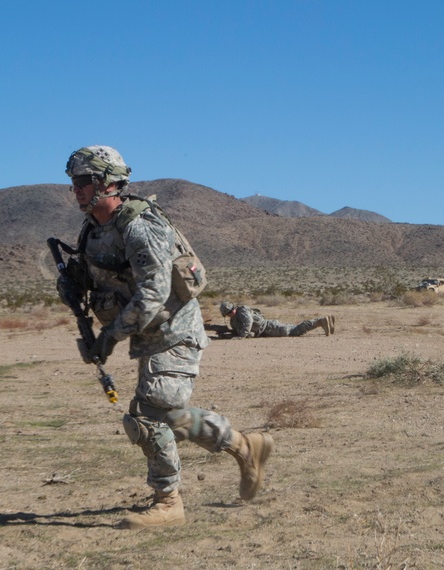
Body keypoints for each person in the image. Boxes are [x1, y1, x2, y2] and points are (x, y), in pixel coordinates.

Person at [58, 145, 273, 530]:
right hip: (146, 333)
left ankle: (168, 501)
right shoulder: (93, 228)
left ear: (107, 183)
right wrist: (72, 284)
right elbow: (99, 276)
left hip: (175, 330)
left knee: (146, 416)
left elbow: (153, 294)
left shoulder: (140, 227)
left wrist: (110, 335)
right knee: (168, 416)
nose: (76, 190)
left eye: (83, 182)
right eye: (74, 182)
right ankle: (244, 446)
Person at [218, 301, 335, 338]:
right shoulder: (235, 320)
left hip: (272, 328)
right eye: (228, 313)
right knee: (296, 329)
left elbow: (248, 322)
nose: (230, 314)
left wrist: (242, 336)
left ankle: (320, 321)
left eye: (230, 311)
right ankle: (324, 321)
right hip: (269, 329)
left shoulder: (242, 311)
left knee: (296, 330)